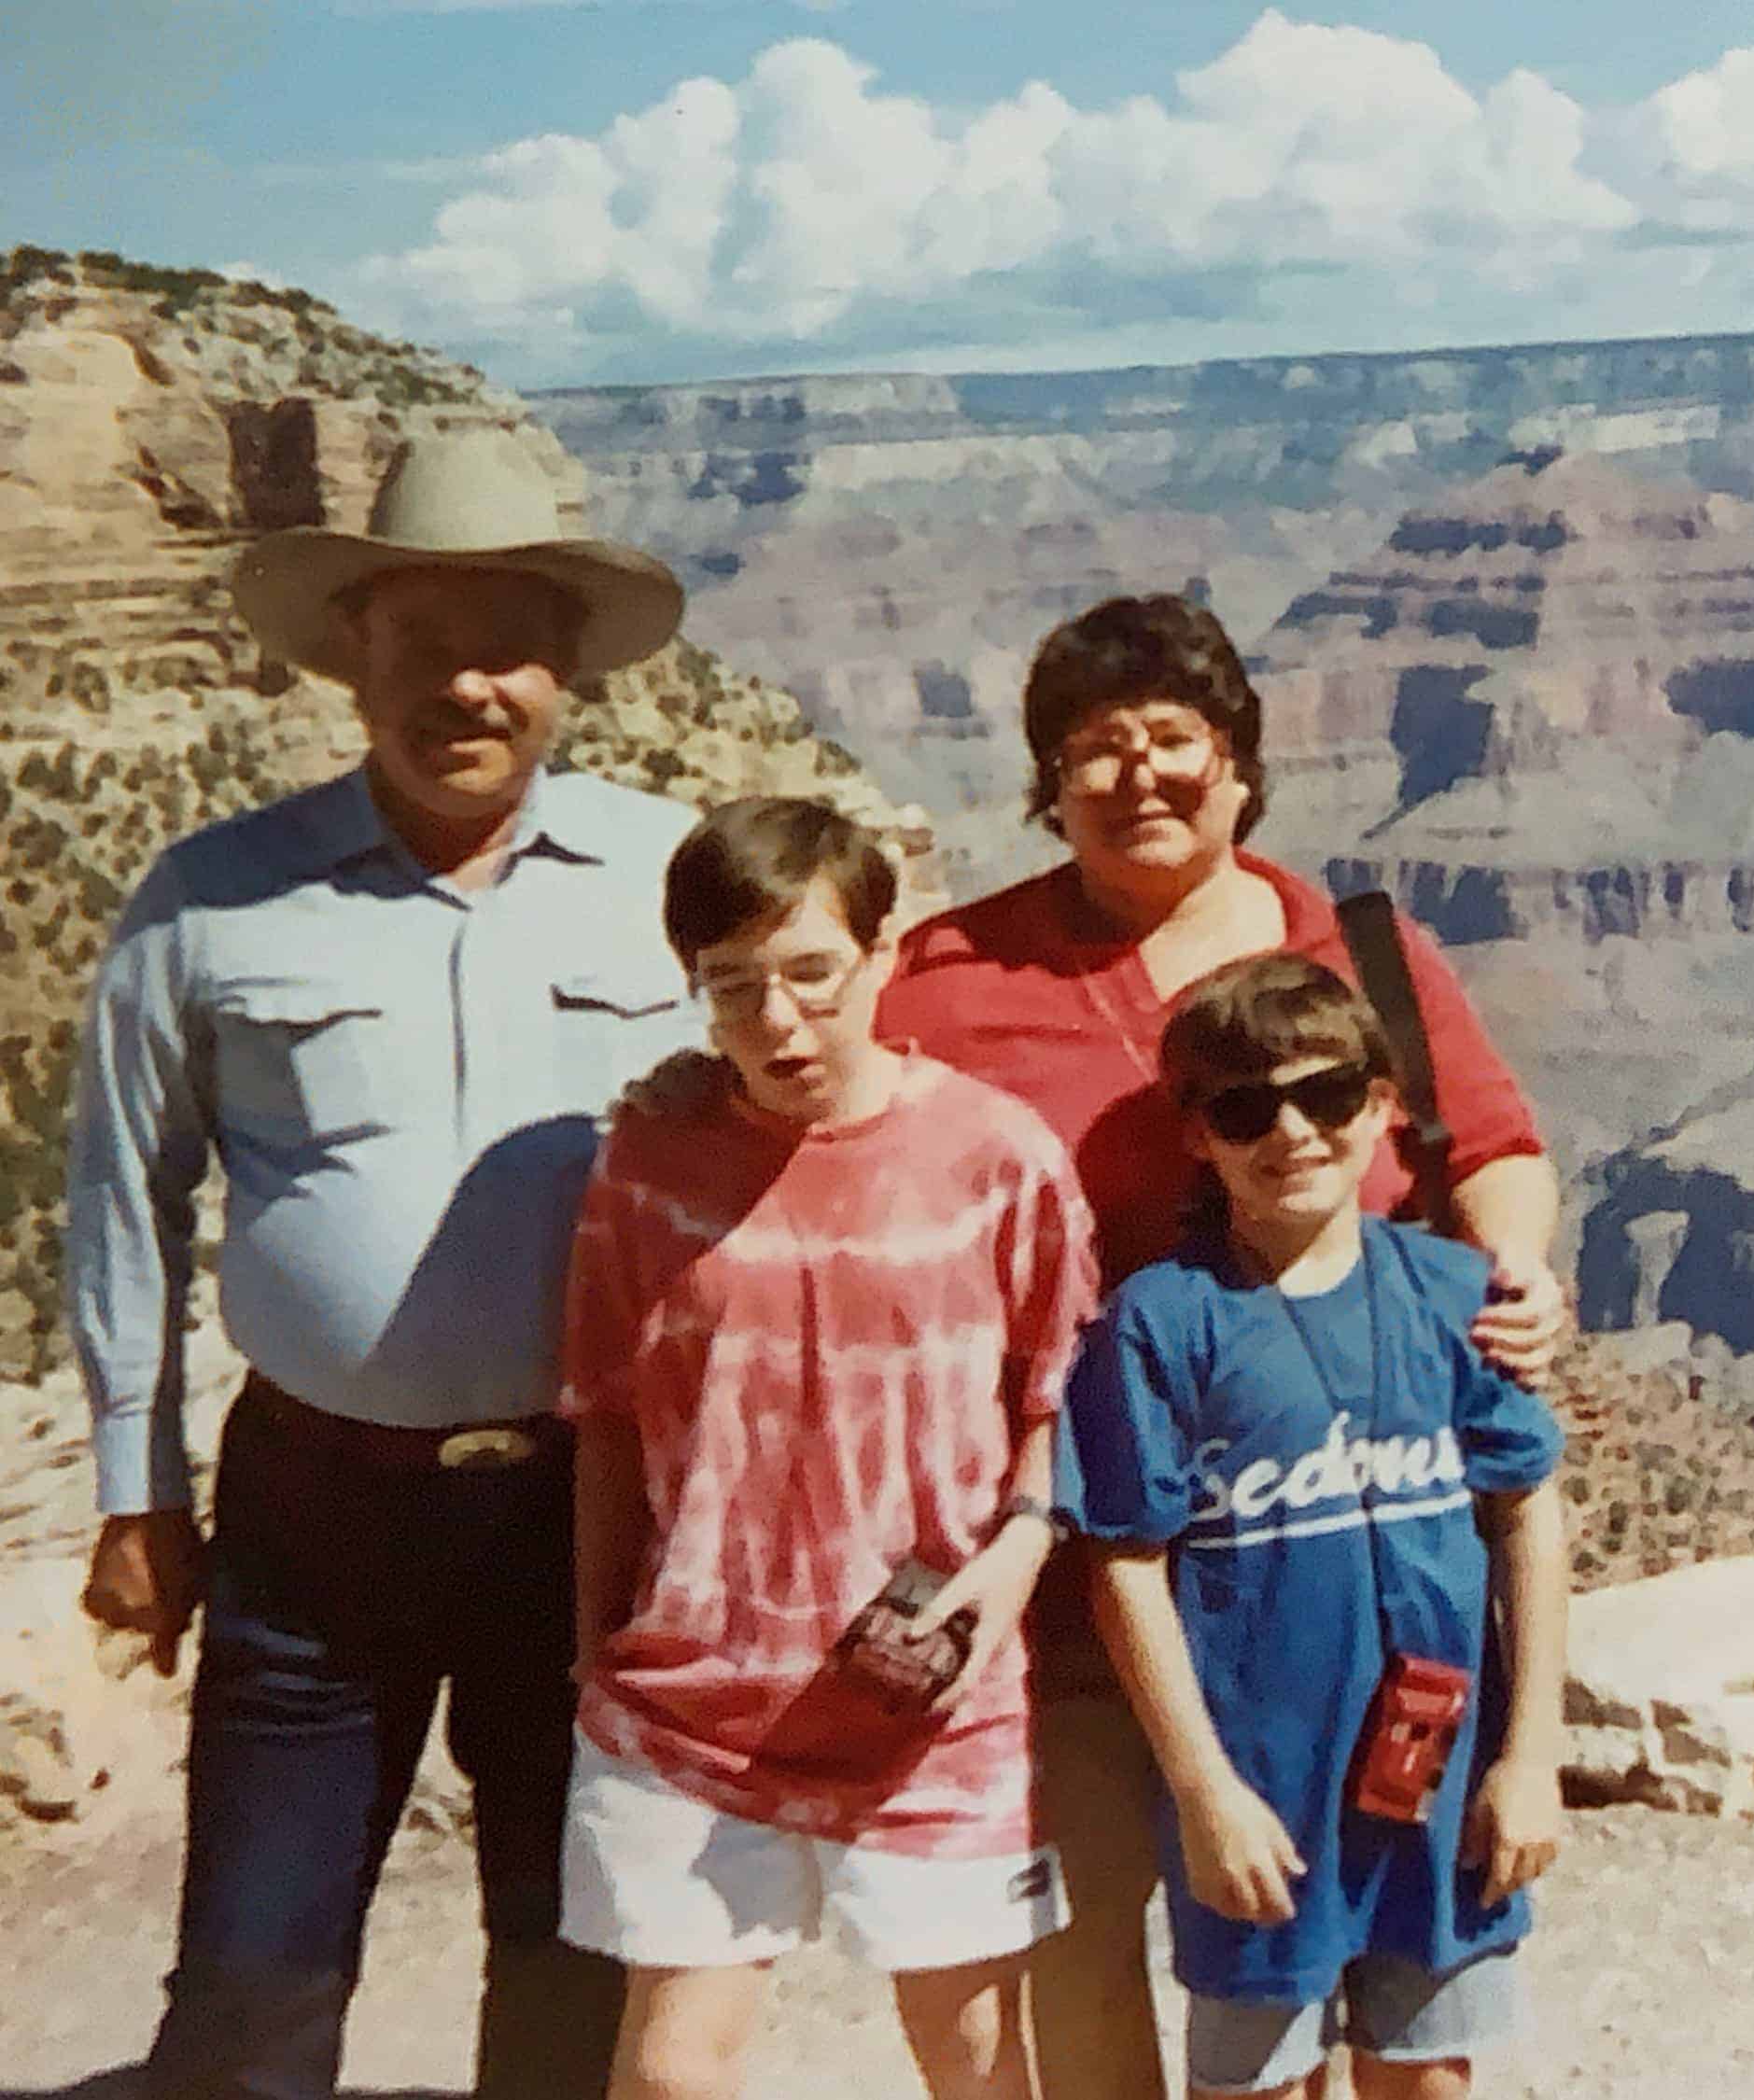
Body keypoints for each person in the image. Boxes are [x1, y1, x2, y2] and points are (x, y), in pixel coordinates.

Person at [864, 594, 1571, 2100]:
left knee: (1373, 1961)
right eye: (1091, 750)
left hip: (1332, 1555)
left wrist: (1517, 1271)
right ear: (1046, 787)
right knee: (1098, 1940)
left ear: (1241, 764)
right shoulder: (949, 975)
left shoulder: (1357, 949)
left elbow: (1487, 1141)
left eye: (1172, 738)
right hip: (1072, 1545)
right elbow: (835, 1129)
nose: (1136, 775)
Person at [64, 428, 700, 2098]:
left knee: (573, 1945)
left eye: (508, 648)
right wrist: (140, 1494)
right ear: (358, 655)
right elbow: (124, 1187)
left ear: (565, 670)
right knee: (255, 1968)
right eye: (425, 644)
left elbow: (792, 1148)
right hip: (317, 1511)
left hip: (591, 1501)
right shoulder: (208, 904)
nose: (467, 688)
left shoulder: (672, 879)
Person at [559, 797, 1097, 2100]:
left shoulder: (994, 1156)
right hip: (695, 1691)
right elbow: (611, 1415)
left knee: (973, 2059)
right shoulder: (651, 1161)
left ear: (883, 951)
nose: (777, 1020)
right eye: (733, 985)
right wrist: (594, 1638)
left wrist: (1015, 1562)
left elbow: (1058, 1398)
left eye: (811, 972)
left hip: (927, 1693)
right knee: (676, 2070)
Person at [1060, 955, 1567, 2100]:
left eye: (1329, 1097)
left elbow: (1529, 1509)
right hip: (1263, 1795)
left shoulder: (1451, 1293)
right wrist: (1203, 1793)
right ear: (1198, 1137)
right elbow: (1127, 1565)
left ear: (1384, 1106)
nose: (1292, 1133)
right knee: (1258, 2084)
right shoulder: (1161, 1324)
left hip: (1440, 1789)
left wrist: (1530, 1754)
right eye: (1246, 1110)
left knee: (1429, 2071)